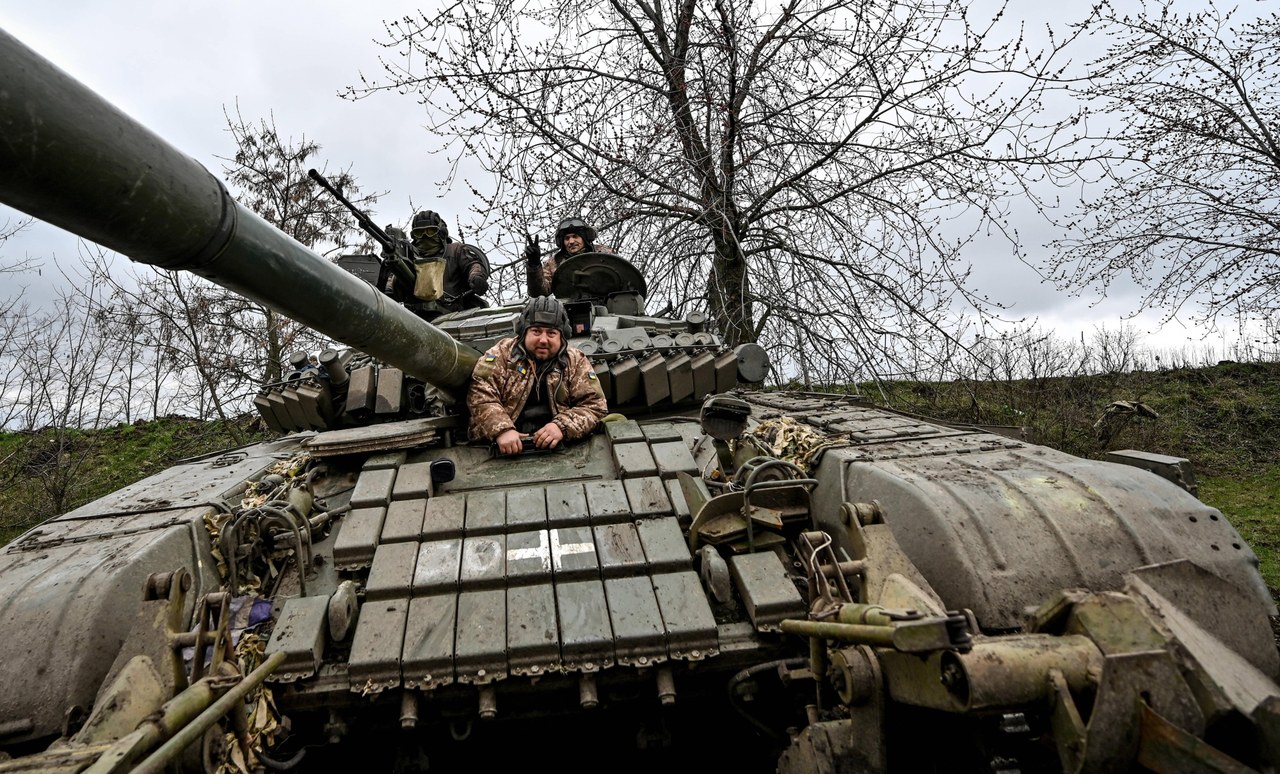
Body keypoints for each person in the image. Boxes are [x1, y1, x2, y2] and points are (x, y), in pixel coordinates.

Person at [468, 295, 608, 454]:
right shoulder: (501, 354)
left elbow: (595, 406)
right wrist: (502, 429)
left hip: (562, 448)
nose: (543, 340)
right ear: (523, 332)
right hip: (503, 448)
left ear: (562, 337)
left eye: (551, 333)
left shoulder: (574, 361)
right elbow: (481, 394)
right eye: (536, 331)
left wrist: (561, 426)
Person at [393, 210, 490, 312]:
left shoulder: (455, 250)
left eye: (430, 231)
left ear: (441, 232)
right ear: (414, 236)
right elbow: (393, 287)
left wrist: (476, 277)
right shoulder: (409, 257)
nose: (425, 236)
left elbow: (473, 265)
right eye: (419, 233)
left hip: (455, 314)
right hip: (416, 318)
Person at [523, 216, 613, 296]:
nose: (571, 241)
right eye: (567, 238)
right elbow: (538, 293)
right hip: (569, 309)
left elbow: (621, 275)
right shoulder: (553, 263)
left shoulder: (603, 253)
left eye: (575, 236)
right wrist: (534, 265)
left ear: (585, 238)